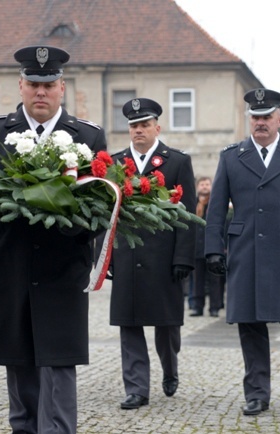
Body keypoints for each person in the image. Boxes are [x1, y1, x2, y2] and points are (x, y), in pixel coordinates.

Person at [0, 45, 106, 434]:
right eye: (34, 84)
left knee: (58, 360)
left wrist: (76, 221)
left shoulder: (87, 136)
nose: (41, 92)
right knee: (18, 359)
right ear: (20, 86)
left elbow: (104, 199)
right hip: (12, 261)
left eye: (49, 84)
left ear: (62, 88)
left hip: (63, 265)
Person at [205, 88, 280, 415]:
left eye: (266, 117)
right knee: (250, 324)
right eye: (255, 117)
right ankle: (257, 392)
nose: (260, 123)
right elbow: (216, 208)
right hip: (247, 249)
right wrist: (213, 249)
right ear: (250, 120)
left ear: (279, 120)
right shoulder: (231, 156)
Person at [109, 97, 196, 410]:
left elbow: (186, 215)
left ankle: (170, 368)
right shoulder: (115, 164)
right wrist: (105, 257)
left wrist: (184, 257)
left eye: (145, 125)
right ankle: (136, 388)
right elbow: (105, 215)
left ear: (157, 127)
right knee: (129, 324)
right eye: (134, 126)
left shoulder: (176, 162)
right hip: (128, 257)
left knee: (166, 325)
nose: (139, 130)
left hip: (164, 257)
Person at [189, 176, 224, 317]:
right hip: (197, 248)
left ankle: (214, 307)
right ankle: (197, 306)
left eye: (207, 184)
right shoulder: (193, 204)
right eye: (202, 184)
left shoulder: (216, 203)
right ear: (197, 187)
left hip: (213, 247)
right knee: (197, 280)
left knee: (215, 279)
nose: (204, 187)